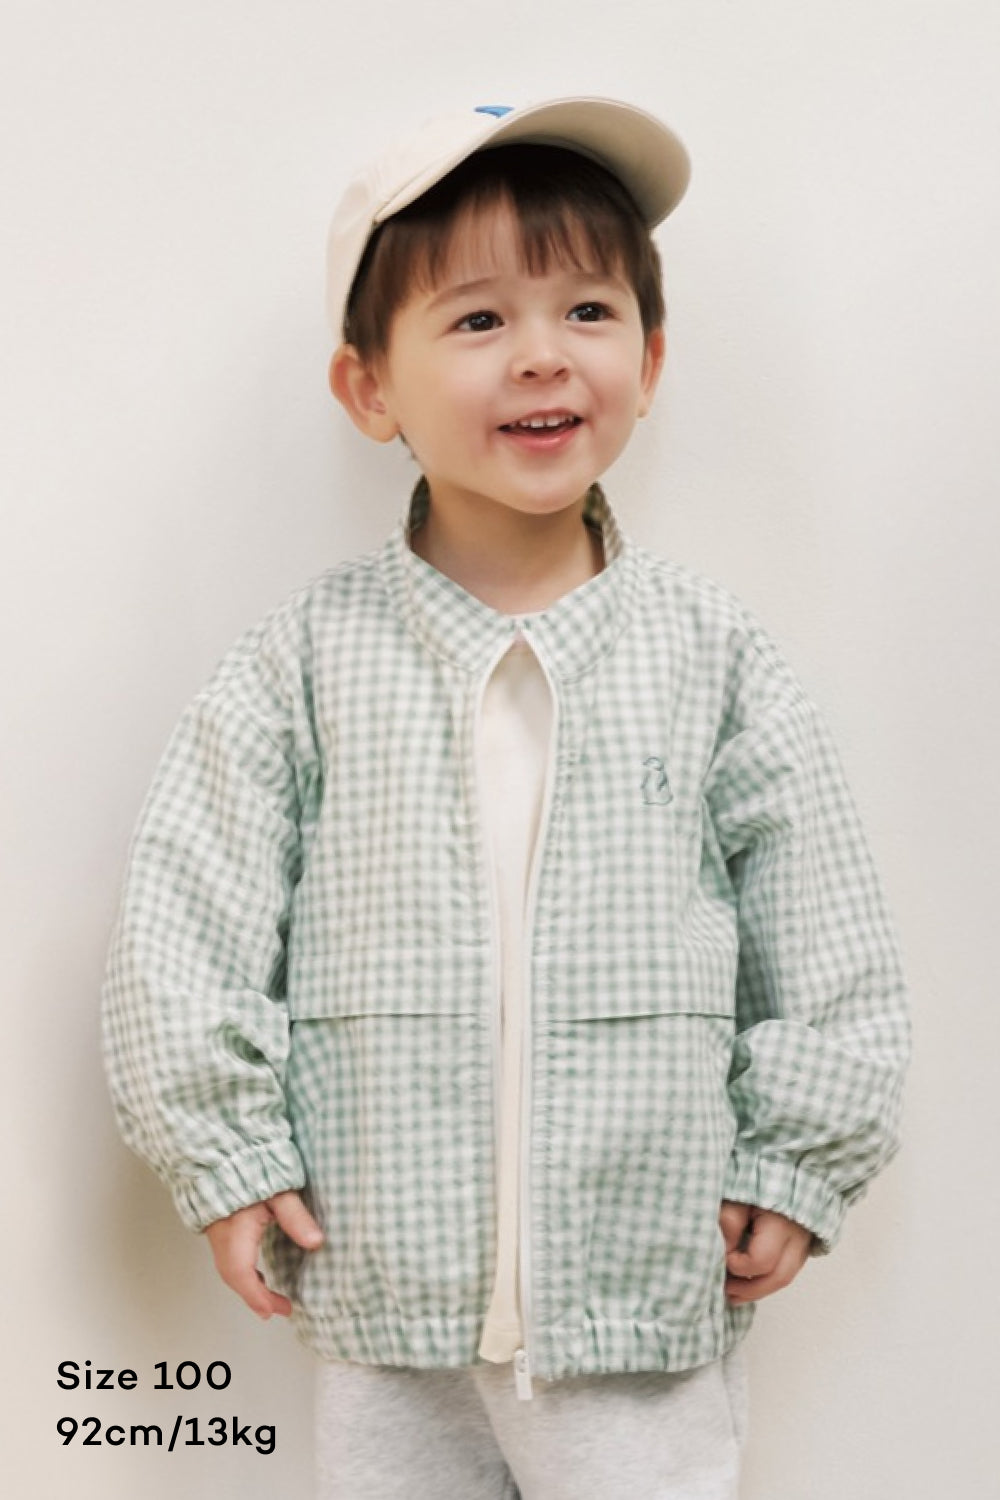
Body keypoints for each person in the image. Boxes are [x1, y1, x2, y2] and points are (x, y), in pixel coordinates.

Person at [102, 97, 910, 1498]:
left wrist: (798, 1159)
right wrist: (221, 1152)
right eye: (478, 319)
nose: (542, 352)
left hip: (643, 1289)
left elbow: (826, 933)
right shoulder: (305, 665)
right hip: (384, 1291)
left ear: (650, 360)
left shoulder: (714, 659)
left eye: (588, 309)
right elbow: (187, 915)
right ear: (370, 388)